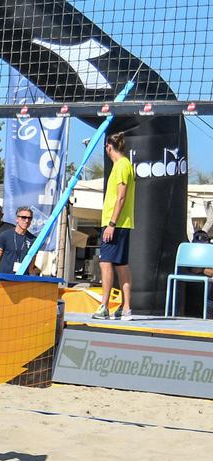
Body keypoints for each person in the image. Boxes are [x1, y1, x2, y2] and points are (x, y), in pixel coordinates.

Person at [93, 131, 135, 320]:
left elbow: (121, 197)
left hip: (115, 223)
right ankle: (126, 309)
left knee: (105, 263)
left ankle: (104, 306)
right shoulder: (124, 165)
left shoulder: (121, 165)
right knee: (121, 264)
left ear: (109, 147)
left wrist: (111, 224)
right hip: (120, 223)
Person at [0, 206, 39, 275]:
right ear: (17, 219)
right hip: (5, 278)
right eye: (23, 217)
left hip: (22, 279)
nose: (27, 221)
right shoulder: (5, 235)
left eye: (29, 218)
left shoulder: (33, 240)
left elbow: (31, 266)